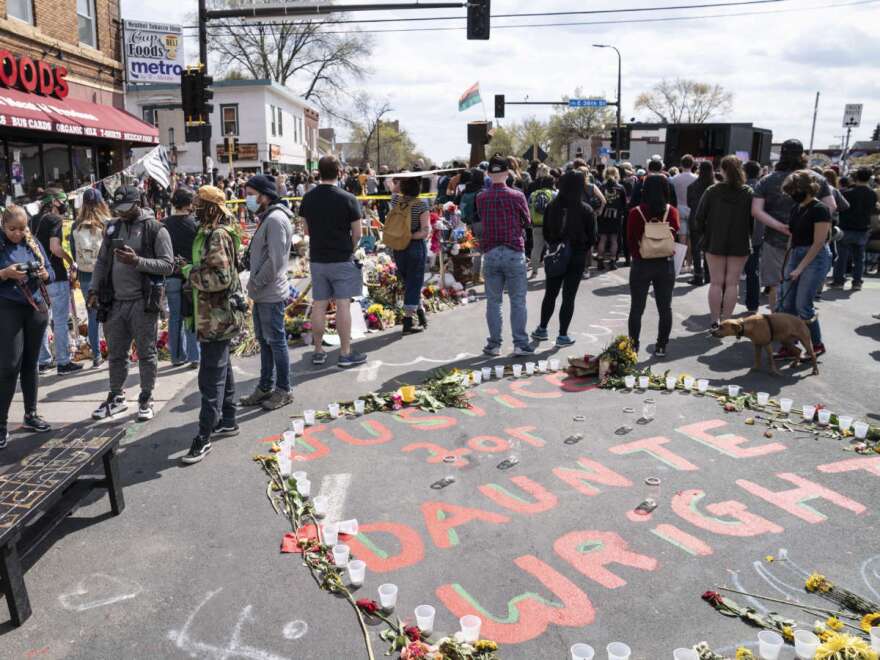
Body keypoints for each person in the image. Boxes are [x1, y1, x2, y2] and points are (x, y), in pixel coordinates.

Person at [89, 185, 174, 421]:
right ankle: (116, 396)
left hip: (142, 302)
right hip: (114, 302)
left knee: (146, 353)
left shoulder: (155, 229)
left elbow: (168, 266)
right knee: (116, 353)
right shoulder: (112, 226)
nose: (123, 213)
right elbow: (101, 261)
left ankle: (146, 396)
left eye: (127, 208)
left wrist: (137, 261)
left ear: (138, 203)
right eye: (119, 209)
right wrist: (94, 289)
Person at [180, 186, 247, 464]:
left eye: (199, 204)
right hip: (214, 316)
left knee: (210, 377)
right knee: (222, 369)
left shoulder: (217, 235)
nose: (193, 208)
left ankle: (204, 435)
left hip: (216, 318)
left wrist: (187, 271)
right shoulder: (212, 232)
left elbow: (219, 277)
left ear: (210, 207)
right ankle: (228, 419)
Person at [299, 156, 368, 368]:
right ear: (339, 172)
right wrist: (351, 248)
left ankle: (318, 350)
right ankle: (345, 353)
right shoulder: (348, 198)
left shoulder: (308, 198)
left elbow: (306, 231)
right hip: (342, 257)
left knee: (319, 304)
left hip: (318, 258)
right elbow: (358, 233)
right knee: (342, 305)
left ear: (318, 172)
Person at [752, 139, 835, 311]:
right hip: (808, 241)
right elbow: (831, 206)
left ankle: (777, 321)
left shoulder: (767, 180)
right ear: (802, 155)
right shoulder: (816, 179)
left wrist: (779, 226)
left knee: (775, 284)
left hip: (775, 239)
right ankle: (796, 324)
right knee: (802, 287)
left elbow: (756, 211)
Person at [238, 175, 295, 410]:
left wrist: (257, 282)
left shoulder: (275, 220)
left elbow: (276, 261)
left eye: (251, 194)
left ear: (265, 195)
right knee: (265, 341)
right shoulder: (267, 218)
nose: (247, 199)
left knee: (276, 341)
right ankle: (265, 387)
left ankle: (283, 390)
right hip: (262, 291)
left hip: (269, 291)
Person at [0, 205, 54, 447]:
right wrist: (5, 273)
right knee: (9, 366)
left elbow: (50, 271)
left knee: (31, 364)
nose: (18, 234)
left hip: (35, 306)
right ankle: (1, 423)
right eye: (13, 229)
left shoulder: (32, 243)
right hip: (8, 308)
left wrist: (43, 274)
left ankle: (31, 414)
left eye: (22, 229)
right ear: (3, 225)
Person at [475, 154, 534, 357]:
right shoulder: (517, 196)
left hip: (491, 251)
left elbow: (482, 218)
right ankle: (520, 343)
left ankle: (494, 344)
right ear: (508, 173)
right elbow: (527, 221)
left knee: (494, 301)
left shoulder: (481, 197)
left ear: (489, 174)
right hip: (513, 250)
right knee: (518, 300)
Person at [530, 170, 596, 346]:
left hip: (556, 253)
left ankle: (542, 328)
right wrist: (581, 248)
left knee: (550, 293)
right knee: (569, 296)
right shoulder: (586, 209)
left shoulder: (552, 206)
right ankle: (562, 335)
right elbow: (592, 237)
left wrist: (554, 243)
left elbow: (545, 231)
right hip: (577, 255)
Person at [692, 155, 753, 329]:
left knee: (716, 282)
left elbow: (699, 217)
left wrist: (705, 233)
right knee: (733, 283)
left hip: (714, 241)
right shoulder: (748, 192)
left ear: (722, 170)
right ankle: (727, 322)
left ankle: (714, 320)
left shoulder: (712, 190)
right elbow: (753, 220)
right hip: (740, 241)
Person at [777, 170, 833, 357]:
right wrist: (786, 265)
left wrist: (800, 268)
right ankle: (789, 345)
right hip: (796, 253)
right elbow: (792, 237)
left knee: (803, 305)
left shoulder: (820, 209)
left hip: (815, 257)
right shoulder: (797, 208)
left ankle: (816, 344)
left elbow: (818, 243)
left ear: (807, 188)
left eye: (795, 190)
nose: (793, 195)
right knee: (787, 305)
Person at [626, 174, 680, 358]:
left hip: (642, 263)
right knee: (665, 307)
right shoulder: (671, 211)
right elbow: (676, 233)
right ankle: (661, 346)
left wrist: (638, 253)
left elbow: (631, 239)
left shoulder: (636, 212)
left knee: (636, 307)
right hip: (665, 264)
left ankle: (633, 346)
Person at [32, 189, 83, 375]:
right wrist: (70, 260)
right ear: (54, 202)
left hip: (38, 277)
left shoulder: (33, 220)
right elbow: (55, 247)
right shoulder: (54, 220)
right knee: (60, 321)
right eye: (62, 201)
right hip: (55, 274)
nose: (64, 205)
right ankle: (63, 361)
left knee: (43, 321)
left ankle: (43, 361)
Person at [71, 188, 110, 367]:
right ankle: (113, 351)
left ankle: (96, 356)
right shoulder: (107, 222)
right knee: (111, 313)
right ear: (101, 202)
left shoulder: (76, 224)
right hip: (107, 274)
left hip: (86, 275)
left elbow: (73, 252)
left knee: (93, 315)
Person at [387, 175, 431, 334]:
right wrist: (410, 235)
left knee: (409, 281)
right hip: (414, 246)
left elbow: (392, 188)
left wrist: (399, 181)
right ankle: (407, 322)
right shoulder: (421, 205)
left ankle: (420, 312)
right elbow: (425, 231)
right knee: (415, 282)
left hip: (398, 246)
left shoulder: (396, 202)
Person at [163, 186, 200, 367]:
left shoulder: (164, 224)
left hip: (171, 276)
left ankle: (177, 357)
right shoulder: (194, 224)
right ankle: (195, 356)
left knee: (175, 317)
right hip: (191, 275)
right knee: (192, 315)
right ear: (189, 203)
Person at [832, 167, 879, 290]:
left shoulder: (847, 193)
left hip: (846, 227)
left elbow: (839, 209)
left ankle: (838, 281)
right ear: (869, 178)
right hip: (863, 228)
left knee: (841, 257)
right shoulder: (872, 194)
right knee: (859, 258)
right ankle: (857, 282)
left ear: (855, 178)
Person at [687, 161, 716, 287]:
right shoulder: (715, 187)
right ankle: (708, 275)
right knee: (709, 249)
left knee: (696, 248)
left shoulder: (692, 186)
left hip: (695, 219)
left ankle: (698, 275)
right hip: (711, 220)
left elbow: (689, 203)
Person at [596, 167, 627, 270]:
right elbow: (624, 204)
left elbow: (598, 201)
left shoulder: (601, 187)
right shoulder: (620, 188)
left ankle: (600, 261)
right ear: (616, 174)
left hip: (603, 216)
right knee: (614, 239)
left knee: (603, 239)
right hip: (616, 216)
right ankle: (612, 262)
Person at [670, 154, 698, 267]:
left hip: (679, 208)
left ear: (681, 164)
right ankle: (690, 263)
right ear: (693, 165)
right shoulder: (696, 178)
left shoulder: (674, 179)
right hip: (692, 209)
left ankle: (680, 263)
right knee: (691, 238)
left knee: (681, 238)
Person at [743, 160, 764, 312]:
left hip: (740, 234)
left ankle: (724, 304)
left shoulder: (741, 189)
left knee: (732, 272)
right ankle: (753, 304)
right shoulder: (763, 188)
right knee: (753, 271)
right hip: (759, 234)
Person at [528, 176, 555, 277]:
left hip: (536, 225)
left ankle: (534, 271)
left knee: (536, 248)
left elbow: (529, 207)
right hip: (551, 225)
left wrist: (531, 221)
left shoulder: (533, 194)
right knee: (553, 248)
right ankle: (552, 270)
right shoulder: (554, 194)